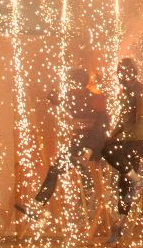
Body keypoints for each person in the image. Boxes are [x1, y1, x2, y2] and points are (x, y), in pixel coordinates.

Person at [20, 66, 109, 213]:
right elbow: (52, 97)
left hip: (95, 147)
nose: (70, 87)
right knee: (55, 169)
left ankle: (88, 204)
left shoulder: (95, 98)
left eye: (72, 83)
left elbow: (101, 126)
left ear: (79, 83)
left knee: (82, 171)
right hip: (78, 145)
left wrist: (90, 149)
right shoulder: (72, 97)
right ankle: (36, 207)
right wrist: (60, 88)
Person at [98, 57, 143, 245]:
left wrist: (118, 141)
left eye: (123, 73)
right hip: (130, 142)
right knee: (123, 184)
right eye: (119, 73)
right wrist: (112, 136)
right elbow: (123, 119)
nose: (120, 77)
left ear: (132, 73)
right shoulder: (126, 92)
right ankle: (119, 227)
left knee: (109, 152)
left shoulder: (142, 92)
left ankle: (137, 180)